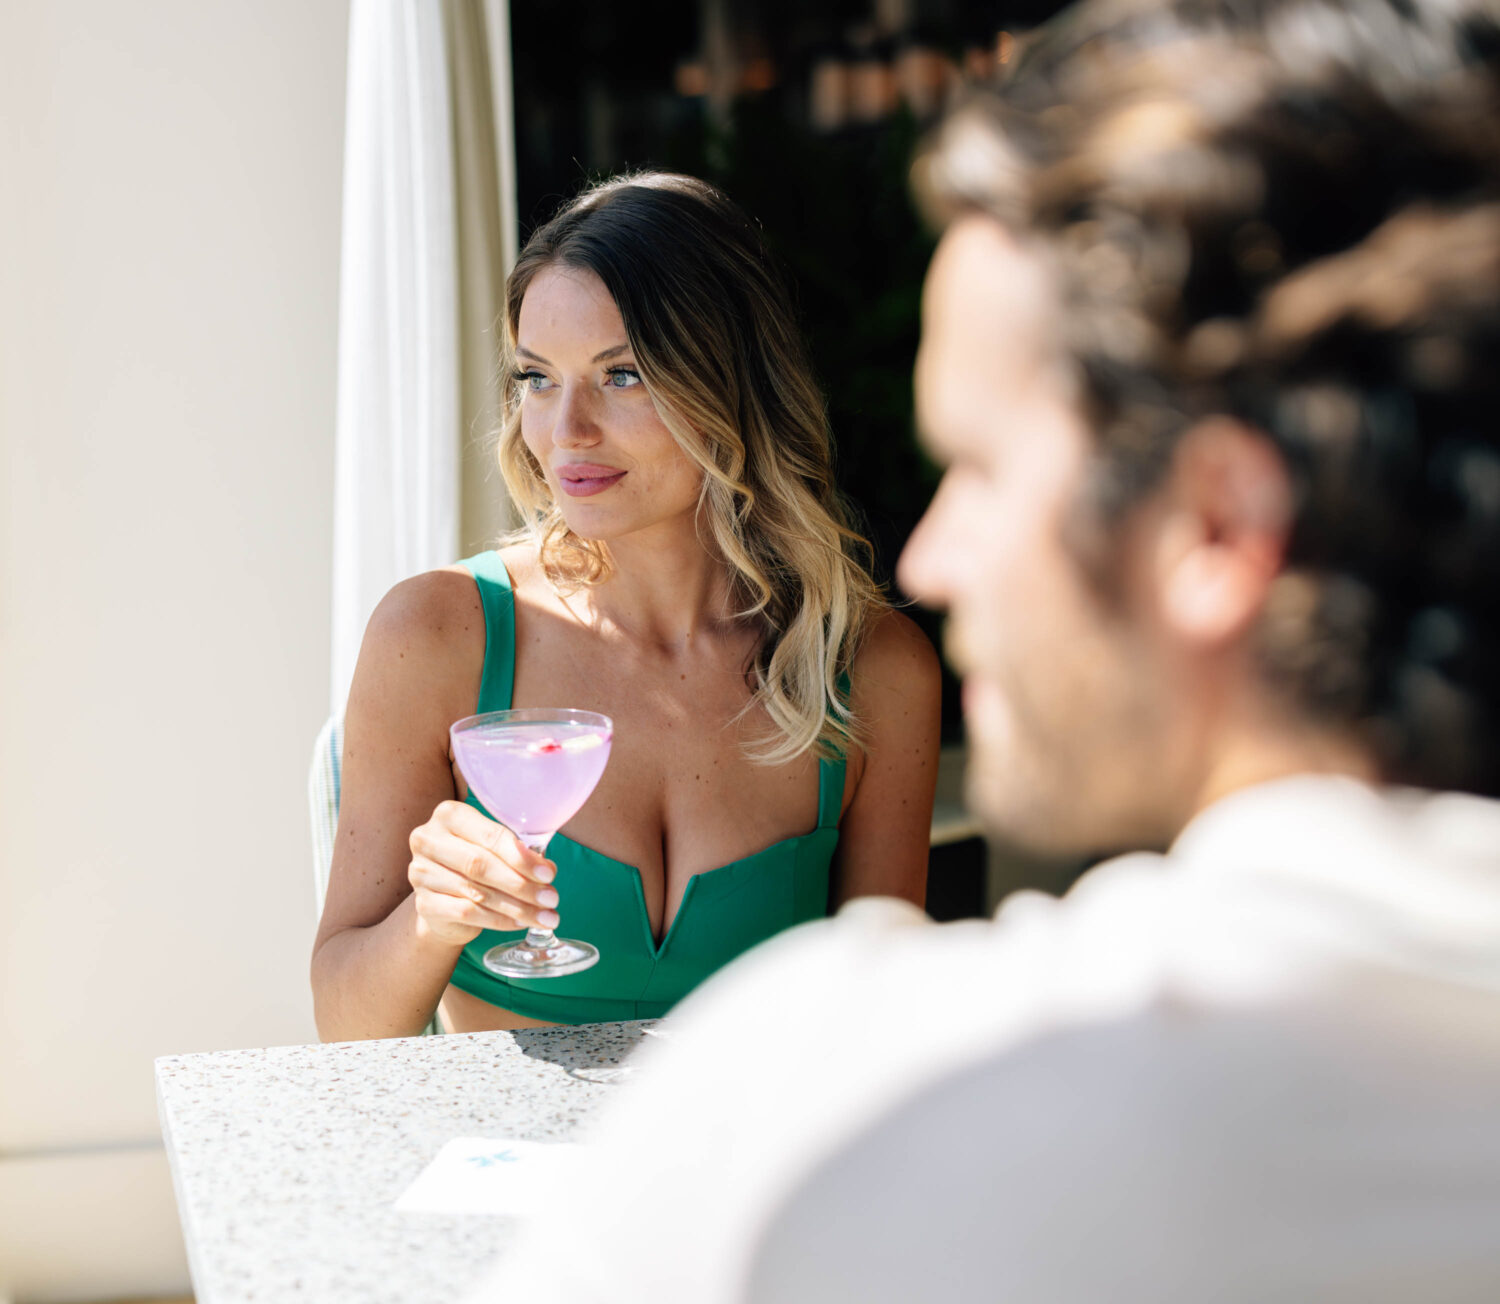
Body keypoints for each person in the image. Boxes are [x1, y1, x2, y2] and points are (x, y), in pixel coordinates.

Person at [469, 0, 1500, 1298]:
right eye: (537, 376)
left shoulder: (834, 1108)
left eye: (981, 468)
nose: (929, 558)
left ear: (1218, 525)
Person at [310, 173, 941, 1039]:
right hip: (503, 1130)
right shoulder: (438, 635)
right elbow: (345, 1028)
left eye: (623, 374)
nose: (567, 429)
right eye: (538, 378)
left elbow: (887, 1025)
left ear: (732, 386)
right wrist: (433, 917)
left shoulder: (871, 672)